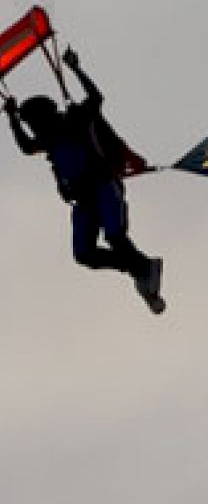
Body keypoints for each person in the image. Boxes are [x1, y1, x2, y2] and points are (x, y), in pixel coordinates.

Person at [3, 49, 165, 314]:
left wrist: (76, 69)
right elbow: (26, 146)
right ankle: (141, 267)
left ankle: (143, 268)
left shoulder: (74, 119)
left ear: (45, 116)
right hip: (83, 200)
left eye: (33, 122)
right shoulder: (48, 139)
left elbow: (96, 98)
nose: (34, 129)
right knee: (84, 254)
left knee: (115, 235)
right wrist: (12, 118)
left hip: (103, 186)